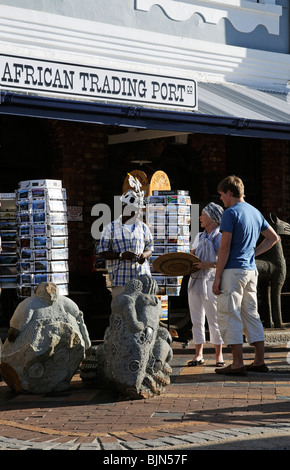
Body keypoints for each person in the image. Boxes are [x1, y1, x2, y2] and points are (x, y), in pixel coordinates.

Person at [212, 175, 279, 376]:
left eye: (222, 195)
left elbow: (224, 248)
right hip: (251, 271)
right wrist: (253, 253)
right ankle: (259, 360)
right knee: (251, 314)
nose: (221, 199)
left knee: (229, 314)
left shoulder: (230, 213)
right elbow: (273, 238)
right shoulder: (255, 211)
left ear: (229, 193)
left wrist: (217, 277)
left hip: (233, 271)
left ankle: (237, 363)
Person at [97, 187, 153, 298]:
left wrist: (144, 255)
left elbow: (150, 247)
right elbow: (102, 252)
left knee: (142, 311)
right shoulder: (110, 228)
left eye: (139, 210)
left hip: (141, 277)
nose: (139, 213)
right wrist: (121, 255)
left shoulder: (143, 227)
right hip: (120, 279)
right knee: (121, 312)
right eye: (136, 210)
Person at [187, 202, 225, 367]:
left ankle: (219, 355)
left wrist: (205, 264)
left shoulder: (221, 237)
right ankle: (198, 354)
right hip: (195, 282)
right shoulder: (198, 237)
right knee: (196, 319)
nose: (200, 217)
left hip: (212, 281)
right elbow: (192, 255)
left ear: (213, 218)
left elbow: (223, 261)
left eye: (203, 214)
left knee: (214, 319)